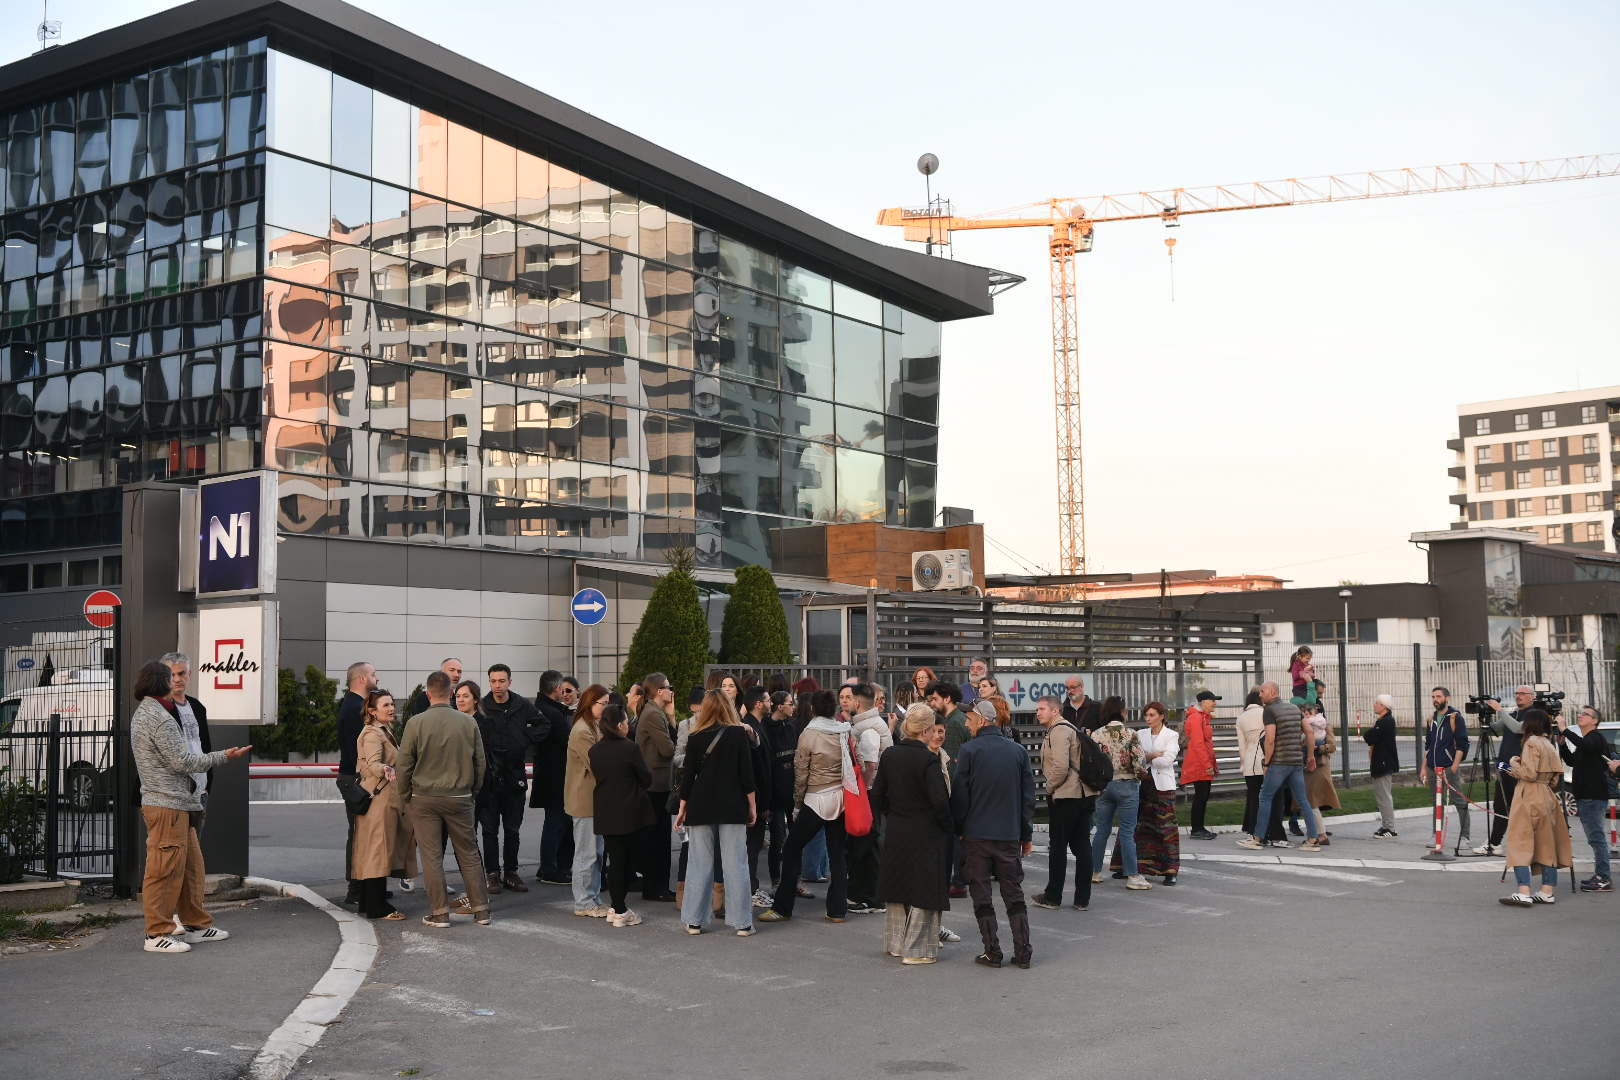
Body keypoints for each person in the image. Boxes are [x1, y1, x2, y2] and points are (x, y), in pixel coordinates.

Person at [130, 660, 250, 954]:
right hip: (166, 803)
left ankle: (195, 924)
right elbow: (182, 762)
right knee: (164, 868)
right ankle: (156, 932)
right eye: (170, 677)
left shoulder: (157, 711)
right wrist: (226, 755)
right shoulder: (157, 716)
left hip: (179, 803)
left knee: (191, 867)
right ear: (161, 682)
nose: (176, 681)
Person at [396, 670, 490, 928]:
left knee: (432, 856)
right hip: (460, 795)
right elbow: (480, 763)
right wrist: (473, 790)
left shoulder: (416, 723)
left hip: (424, 798)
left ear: (427, 694)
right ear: (451, 693)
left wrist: (404, 796)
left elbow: (404, 764)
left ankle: (440, 913)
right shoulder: (468, 723)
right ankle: (481, 910)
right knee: (469, 853)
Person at [951, 697, 1036, 969]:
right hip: (1008, 834)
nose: (966, 722)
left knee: (982, 894)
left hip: (976, 835)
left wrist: (960, 829)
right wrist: (1025, 835)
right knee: (1014, 893)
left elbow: (960, 797)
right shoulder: (1017, 752)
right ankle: (1023, 952)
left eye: (969, 718)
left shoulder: (969, 751)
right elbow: (1027, 799)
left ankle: (992, 951)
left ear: (981, 719)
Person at [758, 689, 851, 924]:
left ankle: (783, 907)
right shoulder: (846, 731)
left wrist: (797, 805)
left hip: (816, 798)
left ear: (812, 709)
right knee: (837, 854)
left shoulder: (808, 733)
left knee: (791, 849)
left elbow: (801, 774)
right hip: (841, 798)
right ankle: (837, 910)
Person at [871, 703, 954, 964]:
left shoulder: (891, 755)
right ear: (928, 730)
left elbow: (878, 794)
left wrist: (891, 815)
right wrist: (948, 826)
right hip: (925, 831)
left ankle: (895, 943)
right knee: (924, 890)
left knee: (898, 885)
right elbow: (940, 802)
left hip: (896, 828)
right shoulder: (928, 760)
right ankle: (916, 950)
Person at [676, 690, 758, 936]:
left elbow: (687, 777)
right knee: (736, 865)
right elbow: (747, 775)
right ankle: (742, 923)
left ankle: (693, 920)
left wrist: (682, 808)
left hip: (701, 805)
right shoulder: (737, 734)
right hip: (732, 805)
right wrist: (752, 805)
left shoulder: (695, 736)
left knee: (699, 864)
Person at [1237, 683, 1323, 853]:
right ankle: (1313, 838)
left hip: (1279, 762)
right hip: (1296, 762)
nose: (1260, 695)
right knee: (1302, 800)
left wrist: (1267, 762)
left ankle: (1257, 838)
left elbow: (1270, 739)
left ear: (1273, 692)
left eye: (1263, 691)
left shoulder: (1269, 711)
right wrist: (1311, 756)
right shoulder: (1293, 708)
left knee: (1265, 797)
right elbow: (1310, 732)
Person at [1499, 710, 1572, 906]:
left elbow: (1529, 774)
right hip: (1546, 795)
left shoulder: (1531, 743)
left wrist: (1513, 764)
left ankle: (1523, 891)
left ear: (1530, 724)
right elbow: (1556, 776)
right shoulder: (1549, 744)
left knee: (1520, 841)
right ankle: (1547, 890)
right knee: (1546, 843)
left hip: (1529, 795)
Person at [590, 703, 653, 927]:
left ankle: (616, 908)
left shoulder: (594, 750)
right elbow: (646, 778)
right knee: (627, 861)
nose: (628, 725)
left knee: (615, 860)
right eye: (626, 722)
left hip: (605, 811)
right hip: (630, 812)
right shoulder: (630, 748)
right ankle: (620, 909)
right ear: (619, 725)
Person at [352, 690, 413, 920]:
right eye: (385, 705)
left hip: (382, 800)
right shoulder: (372, 734)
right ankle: (377, 907)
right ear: (372, 711)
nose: (391, 708)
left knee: (377, 851)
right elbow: (373, 763)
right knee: (378, 851)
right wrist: (385, 769)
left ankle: (370, 904)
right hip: (379, 800)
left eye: (391, 704)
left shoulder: (383, 731)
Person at [1032, 695, 1094, 911]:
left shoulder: (1058, 731)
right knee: (1081, 846)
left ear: (1055, 711)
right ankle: (1082, 899)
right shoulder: (1068, 728)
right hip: (1082, 796)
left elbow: (1060, 767)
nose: (1038, 712)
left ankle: (1053, 896)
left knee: (1058, 847)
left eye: (1042, 709)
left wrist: (1049, 789)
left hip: (1066, 796)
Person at [467, 671, 526, 895]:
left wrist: (522, 744)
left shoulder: (521, 705)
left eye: (502, 681)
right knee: (489, 831)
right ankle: (492, 874)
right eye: (493, 681)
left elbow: (542, 726)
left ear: (510, 681)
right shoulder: (482, 709)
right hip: (490, 783)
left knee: (512, 830)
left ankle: (511, 872)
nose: (497, 685)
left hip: (513, 780)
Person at [1557, 705, 1617, 892]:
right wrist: (1562, 744)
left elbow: (1587, 746)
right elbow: (1571, 761)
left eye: (1586, 714)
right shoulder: (1586, 741)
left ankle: (1604, 878)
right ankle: (1600, 875)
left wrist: (1565, 729)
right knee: (1595, 838)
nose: (1580, 715)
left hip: (1593, 796)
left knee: (1597, 838)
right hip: (1585, 796)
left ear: (1594, 721)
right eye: (1581, 713)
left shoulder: (1595, 738)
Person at [565, 684, 612, 918]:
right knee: (587, 853)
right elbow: (598, 763)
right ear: (590, 703)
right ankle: (583, 901)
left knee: (597, 852)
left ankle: (592, 897)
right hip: (585, 800)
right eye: (602, 703)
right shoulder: (582, 730)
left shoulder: (594, 726)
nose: (606, 708)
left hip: (596, 799)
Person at [846, 683, 893, 914]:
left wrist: (862, 790)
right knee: (870, 841)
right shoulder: (870, 724)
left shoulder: (868, 729)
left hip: (870, 793)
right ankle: (869, 894)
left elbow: (871, 765)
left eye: (849, 699)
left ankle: (871, 897)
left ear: (857, 703)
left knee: (868, 842)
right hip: (874, 792)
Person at [925, 680, 972, 897]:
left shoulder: (952, 724)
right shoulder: (961, 718)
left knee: (954, 838)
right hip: (965, 788)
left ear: (947, 698)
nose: (931, 704)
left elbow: (950, 765)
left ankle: (957, 881)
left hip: (955, 790)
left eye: (934, 699)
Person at [337, 661, 378, 905]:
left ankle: (364, 885)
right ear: (362, 679)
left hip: (353, 777)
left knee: (362, 832)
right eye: (373, 674)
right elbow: (358, 751)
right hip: (356, 779)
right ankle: (356, 888)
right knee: (360, 833)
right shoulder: (355, 708)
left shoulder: (352, 705)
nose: (377, 678)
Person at [634, 672, 678, 902]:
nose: (672, 691)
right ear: (660, 691)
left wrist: (670, 716)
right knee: (657, 840)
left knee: (659, 838)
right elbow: (669, 749)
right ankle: (655, 888)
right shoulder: (653, 714)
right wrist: (671, 719)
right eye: (669, 687)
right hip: (654, 785)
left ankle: (657, 886)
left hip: (656, 784)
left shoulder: (654, 711)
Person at [1480, 685, 1536, 856]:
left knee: (1521, 808)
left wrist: (1500, 710)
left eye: (1522, 693)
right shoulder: (1512, 714)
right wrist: (1484, 715)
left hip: (1520, 769)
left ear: (1531, 697)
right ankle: (1494, 843)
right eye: (1516, 693)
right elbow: (1493, 729)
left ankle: (1528, 844)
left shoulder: (1533, 715)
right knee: (1500, 806)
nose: (1518, 696)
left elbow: (1518, 728)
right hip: (1504, 767)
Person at [530, 670, 573, 884]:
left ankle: (550, 866)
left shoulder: (539, 708)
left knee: (556, 822)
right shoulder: (554, 714)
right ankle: (549, 868)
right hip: (557, 775)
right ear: (557, 688)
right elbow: (567, 743)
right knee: (556, 823)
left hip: (548, 774)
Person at [738, 686, 778, 906]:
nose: (770, 703)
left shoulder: (758, 726)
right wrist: (761, 804)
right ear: (758, 704)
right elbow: (757, 770)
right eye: (768, 700)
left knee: (752, 847)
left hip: (760, 799)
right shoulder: (750, 729)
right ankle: (750, 890)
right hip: (756, 800)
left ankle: (750, 888)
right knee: (751, 848)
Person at [1421, 687, 1471, 851]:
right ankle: (1437, 834)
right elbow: (1428, 746)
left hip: (1449, 767)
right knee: (1437, 802)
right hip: (1432, 767)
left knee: (1459, 802)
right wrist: (1424, 767)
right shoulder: (1431, 719)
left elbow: (1462, 744)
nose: (1435, 699)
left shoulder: (1455, 717)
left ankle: (1465, 837)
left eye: (1439, 696)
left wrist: (1454, 766)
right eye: (1433, 696)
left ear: (1447, 698)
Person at [761, 690, 798, 896]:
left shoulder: (791, 726)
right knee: (777, 839)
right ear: (779, 706)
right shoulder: (766, 728)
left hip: (792, 790)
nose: (793, 707)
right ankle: (776, 881)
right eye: (790, 703)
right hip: (775, 793)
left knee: (796, 838)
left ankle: (795, 879)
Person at [1181, 691, 1219, 840]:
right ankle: (1196, 829)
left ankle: (1199, 828)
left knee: (1203, 796)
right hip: (1199, 764)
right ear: (1203, 702)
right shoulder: (1196, 718)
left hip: (1202, 763)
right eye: (1212, 701)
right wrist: (1207, 765)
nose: (1215, 703)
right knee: (1201, 797)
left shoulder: (1202, 717)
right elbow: (1198, 744)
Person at [1364, 693, 1402, 837]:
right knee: (1382, 796)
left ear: (1384, 706)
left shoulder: (1386, 721)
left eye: (1377, 703)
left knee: (1384, 797)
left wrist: (1371, 733)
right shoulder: (1382, 721)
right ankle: (1386, 825)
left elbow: (1369, 736)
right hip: (1380, 762)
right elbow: (1372, 737)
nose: (1374, 705)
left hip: (1383, 763)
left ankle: (1389, 828)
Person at [1302, 702, 1340, 839]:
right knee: (1309, 800)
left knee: (1312, 800)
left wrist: (1318, 748)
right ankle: (1316, 832)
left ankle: (1320, 834)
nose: (1307, 714)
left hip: (1319, 766)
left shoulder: (1326, 727)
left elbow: (1332, 746)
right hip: (1307, 766)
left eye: (1309, 712)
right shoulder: (1304, 725)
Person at [1234, 689, 1268, 840]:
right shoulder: (1266, 713)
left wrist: (1244, 762)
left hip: (1249, 761)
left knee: (1253, 797)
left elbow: (1242, 746)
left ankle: (1252, 828)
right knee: (1267, 797)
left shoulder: (1241, 718)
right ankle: (1265, 831)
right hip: (1265, 759)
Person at [403, 658, 464, 728]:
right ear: (442, 672)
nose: (456, 675)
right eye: (452, 670)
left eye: (459, 671)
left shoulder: (458, 699)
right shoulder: (423, 698)